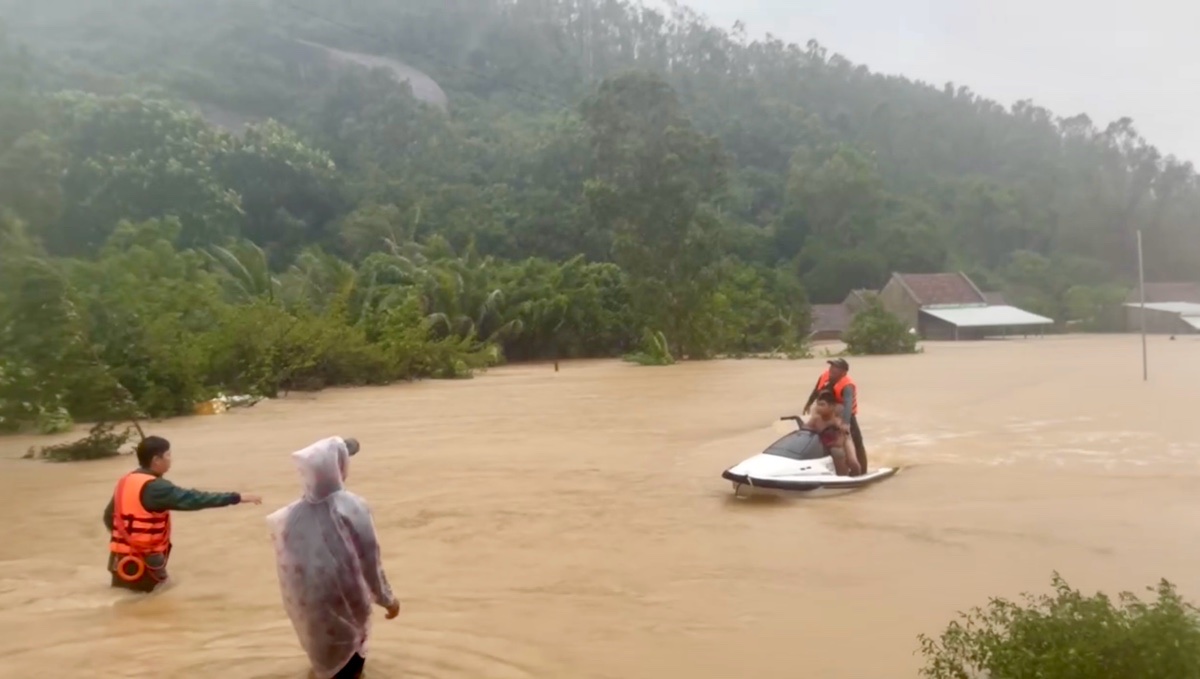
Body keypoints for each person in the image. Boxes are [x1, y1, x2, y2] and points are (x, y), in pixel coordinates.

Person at [267, 436, 400, 679]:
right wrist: (387, 600)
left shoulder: (288, 516)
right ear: (338, 469)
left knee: (325, 662)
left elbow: (291, 569)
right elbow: (370, 561)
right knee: (351, 662)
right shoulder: (352, 506)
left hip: (309, 607)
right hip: (346, 600)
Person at [102, 435, 262, 593]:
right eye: (168, 455)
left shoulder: (126, 481)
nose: (170, 460)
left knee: (130, 605)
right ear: (156, 460)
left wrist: (128, 540)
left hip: (118, 560)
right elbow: (194, 499)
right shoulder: (157, 488)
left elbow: (109, 516)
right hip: (144, 563)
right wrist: (236, 497)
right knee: (154, 606)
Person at [802, 358, 868, 475]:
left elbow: (848, 404)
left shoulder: (847, 386)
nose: (831, 372)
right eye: (831, 368)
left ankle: (862, 471)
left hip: (845, 414)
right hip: (825, 410)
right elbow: (816, 391)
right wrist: (808, 404)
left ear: (843, 373)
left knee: (856, 441)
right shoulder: (824, 376)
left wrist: (846, 423)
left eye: (835, 370)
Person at [804, 390, 860, 477]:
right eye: (818, 405)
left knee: (851, 461)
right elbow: (804, 430)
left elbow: (839, 442)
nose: (819, 407)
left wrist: (831, 444)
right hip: (825, 442)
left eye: (822, 405)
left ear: (831, 407)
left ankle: (850, 477)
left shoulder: (836, 421)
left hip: (843, 440)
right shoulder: (815, 419)